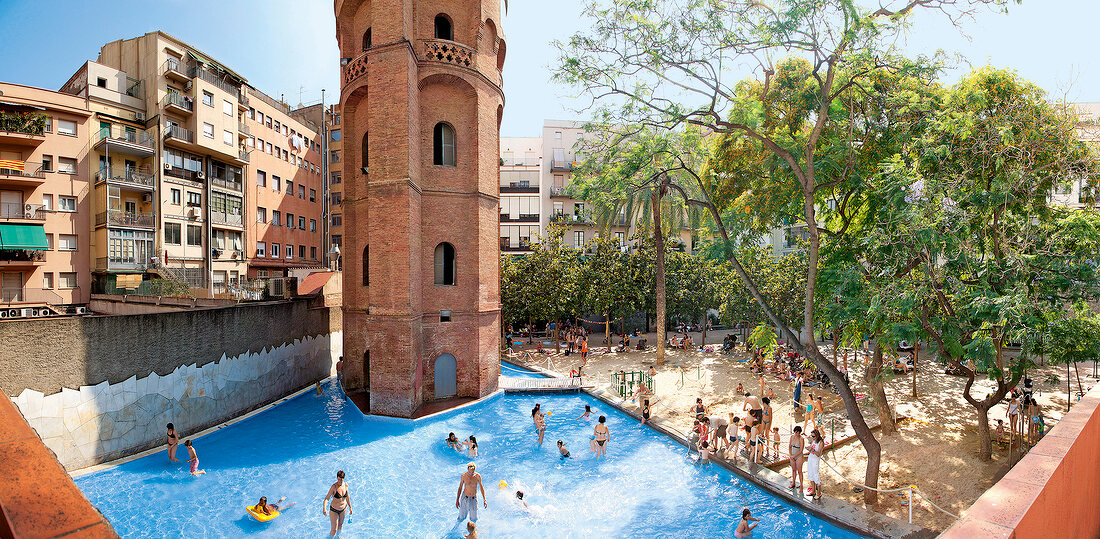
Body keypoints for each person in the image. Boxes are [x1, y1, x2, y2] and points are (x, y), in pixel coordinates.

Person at [323, 470, 352, 537]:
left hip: (343, 509)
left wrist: (350, 507)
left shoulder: (346, 485)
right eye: (338, 480)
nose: (340, 481)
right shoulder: (334, 487)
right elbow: (326, 498)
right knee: (334, 530)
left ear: (343, 478)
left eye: (341, 480)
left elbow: (347, 497)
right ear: (337, 478)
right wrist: (324, 508)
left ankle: (338, 537)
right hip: (334, 510)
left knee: (340, 525)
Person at [806, 430, 823, 500]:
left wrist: (812, 450)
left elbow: (818, 454)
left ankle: (819, 492)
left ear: (817, 436)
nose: (812, 437)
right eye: (811, 436)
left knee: (816, 475)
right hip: (810, 458)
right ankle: (813, 490)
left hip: (815, 460)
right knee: (810, 474)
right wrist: (809, 449)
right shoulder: (813, 441)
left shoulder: (820, 443)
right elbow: (812, 449)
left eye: (813, 436)